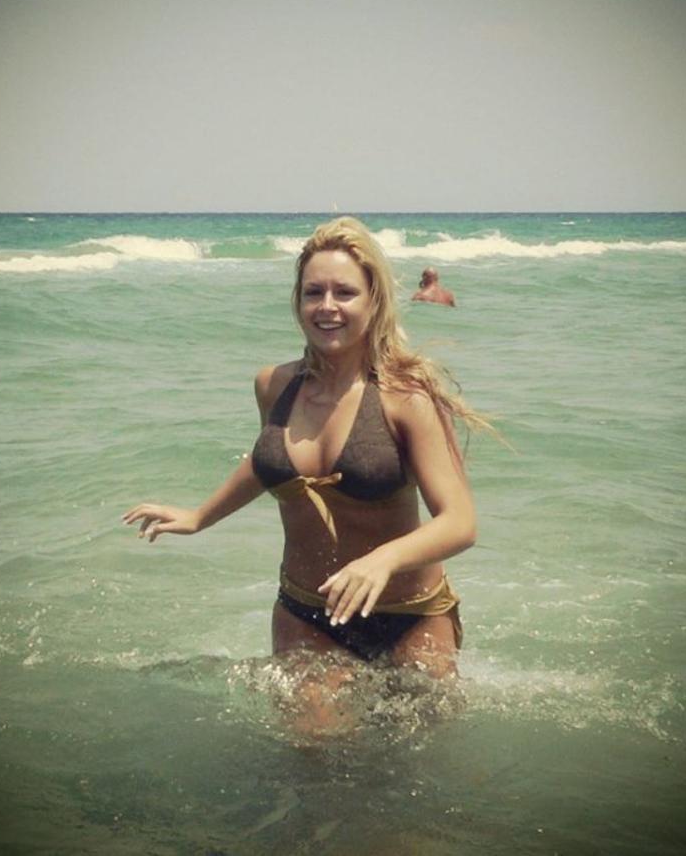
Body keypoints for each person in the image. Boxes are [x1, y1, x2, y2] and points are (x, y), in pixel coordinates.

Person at [123, 217, 488, 690]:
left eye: (345, 293)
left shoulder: (406, 398)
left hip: (410, 615)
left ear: (374, 300)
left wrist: (382, 560)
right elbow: (272, 463)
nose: (327, 306)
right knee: (311, 735)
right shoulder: (273, 385)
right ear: (298, 301)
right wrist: (199, 516)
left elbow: (460, 522)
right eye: (314, 292)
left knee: (423, 736)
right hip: (306, 612)